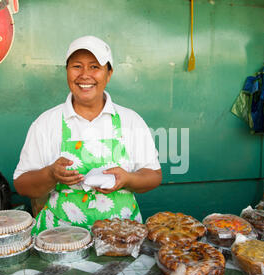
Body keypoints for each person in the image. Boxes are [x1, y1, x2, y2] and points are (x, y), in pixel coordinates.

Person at [13, 35, 162, 235]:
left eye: (94, 67)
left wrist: (127, 179)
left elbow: (153, 175)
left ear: (108, 74)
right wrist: (50, 174)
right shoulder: (46, 123)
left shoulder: (131, 120)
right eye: (77, 66)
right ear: (67, 71)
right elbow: (22, 185)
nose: (85, 75)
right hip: (60, 238)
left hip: (123, 237)